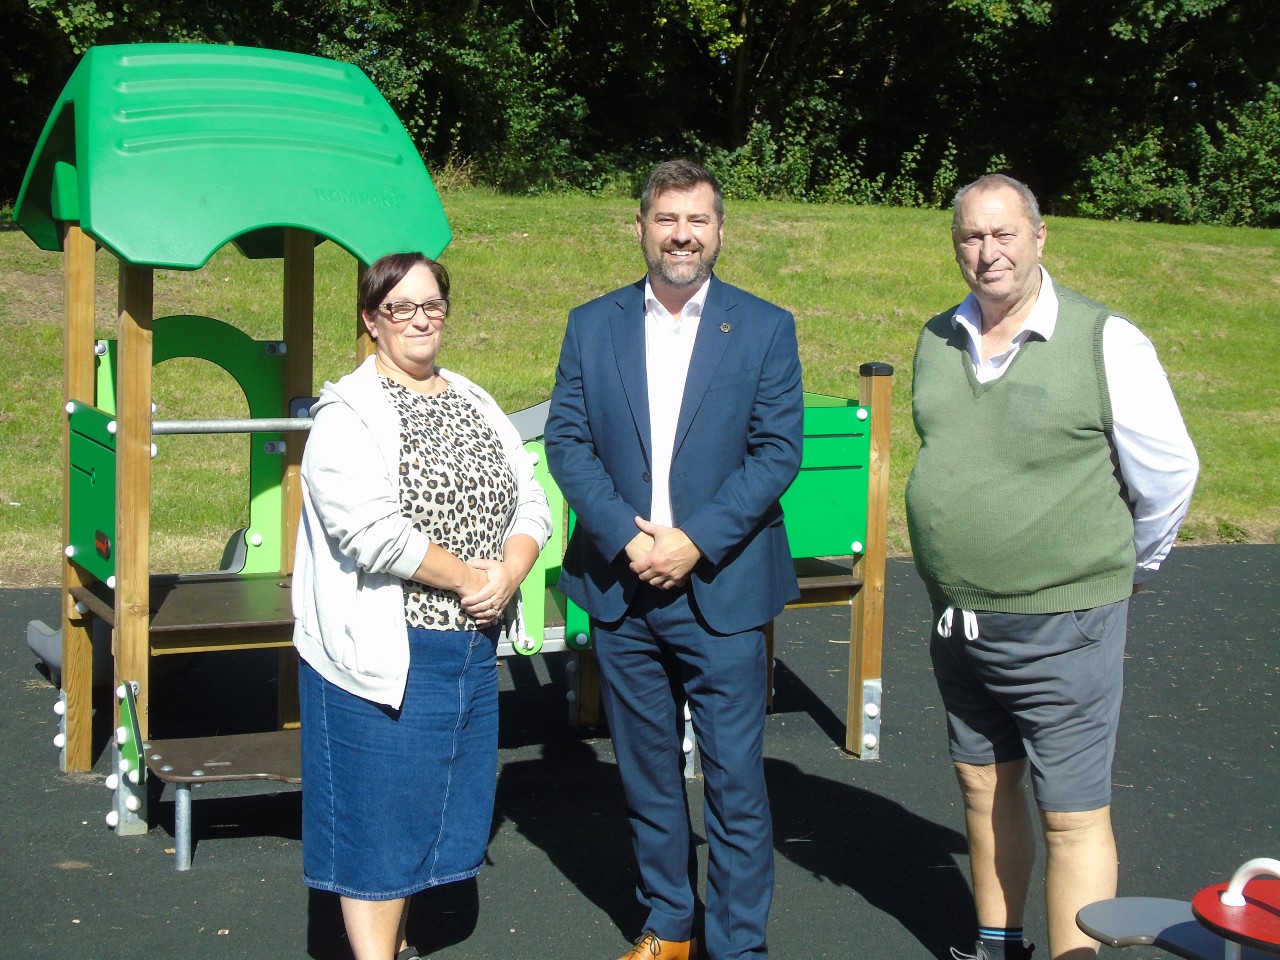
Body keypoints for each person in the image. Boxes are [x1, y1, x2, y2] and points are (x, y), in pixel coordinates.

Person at [905, 174, 1199, 960]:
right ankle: (998, 945)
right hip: (958, 622)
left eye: (1004, 234)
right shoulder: (937, 338)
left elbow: (1169, 473)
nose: (987, 251)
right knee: (982, 786)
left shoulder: (1105, 340)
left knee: (1071, 815)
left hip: (1065, 626)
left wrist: (1127, 567)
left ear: (1040, 238)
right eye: (971, 236)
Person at [544, 159, 805, 960]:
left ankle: (737, 945)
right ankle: (668, 925)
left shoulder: (763, 327)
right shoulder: (593, 325)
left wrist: (693, 541)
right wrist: (630, 537)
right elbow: (568, 441)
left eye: (697, 220)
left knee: (734, 783)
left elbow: (776, 452)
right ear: (642, 228)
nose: (682, 235)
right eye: (668, 220)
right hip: (623, 587)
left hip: (721, 585)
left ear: (720, 231)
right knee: (646, 776)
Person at [291, 252, 552, 960]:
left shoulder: (471, 397)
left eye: (431, 304)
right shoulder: (347, 415)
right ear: (371, 320)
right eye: (400, 307)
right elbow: (370, 531)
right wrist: (470, 577)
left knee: (425, 813)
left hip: (468, 649)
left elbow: (530, 495)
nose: (419, 319)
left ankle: (395, 947)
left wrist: (512, 568)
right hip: (388, 647)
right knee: (378, 822)